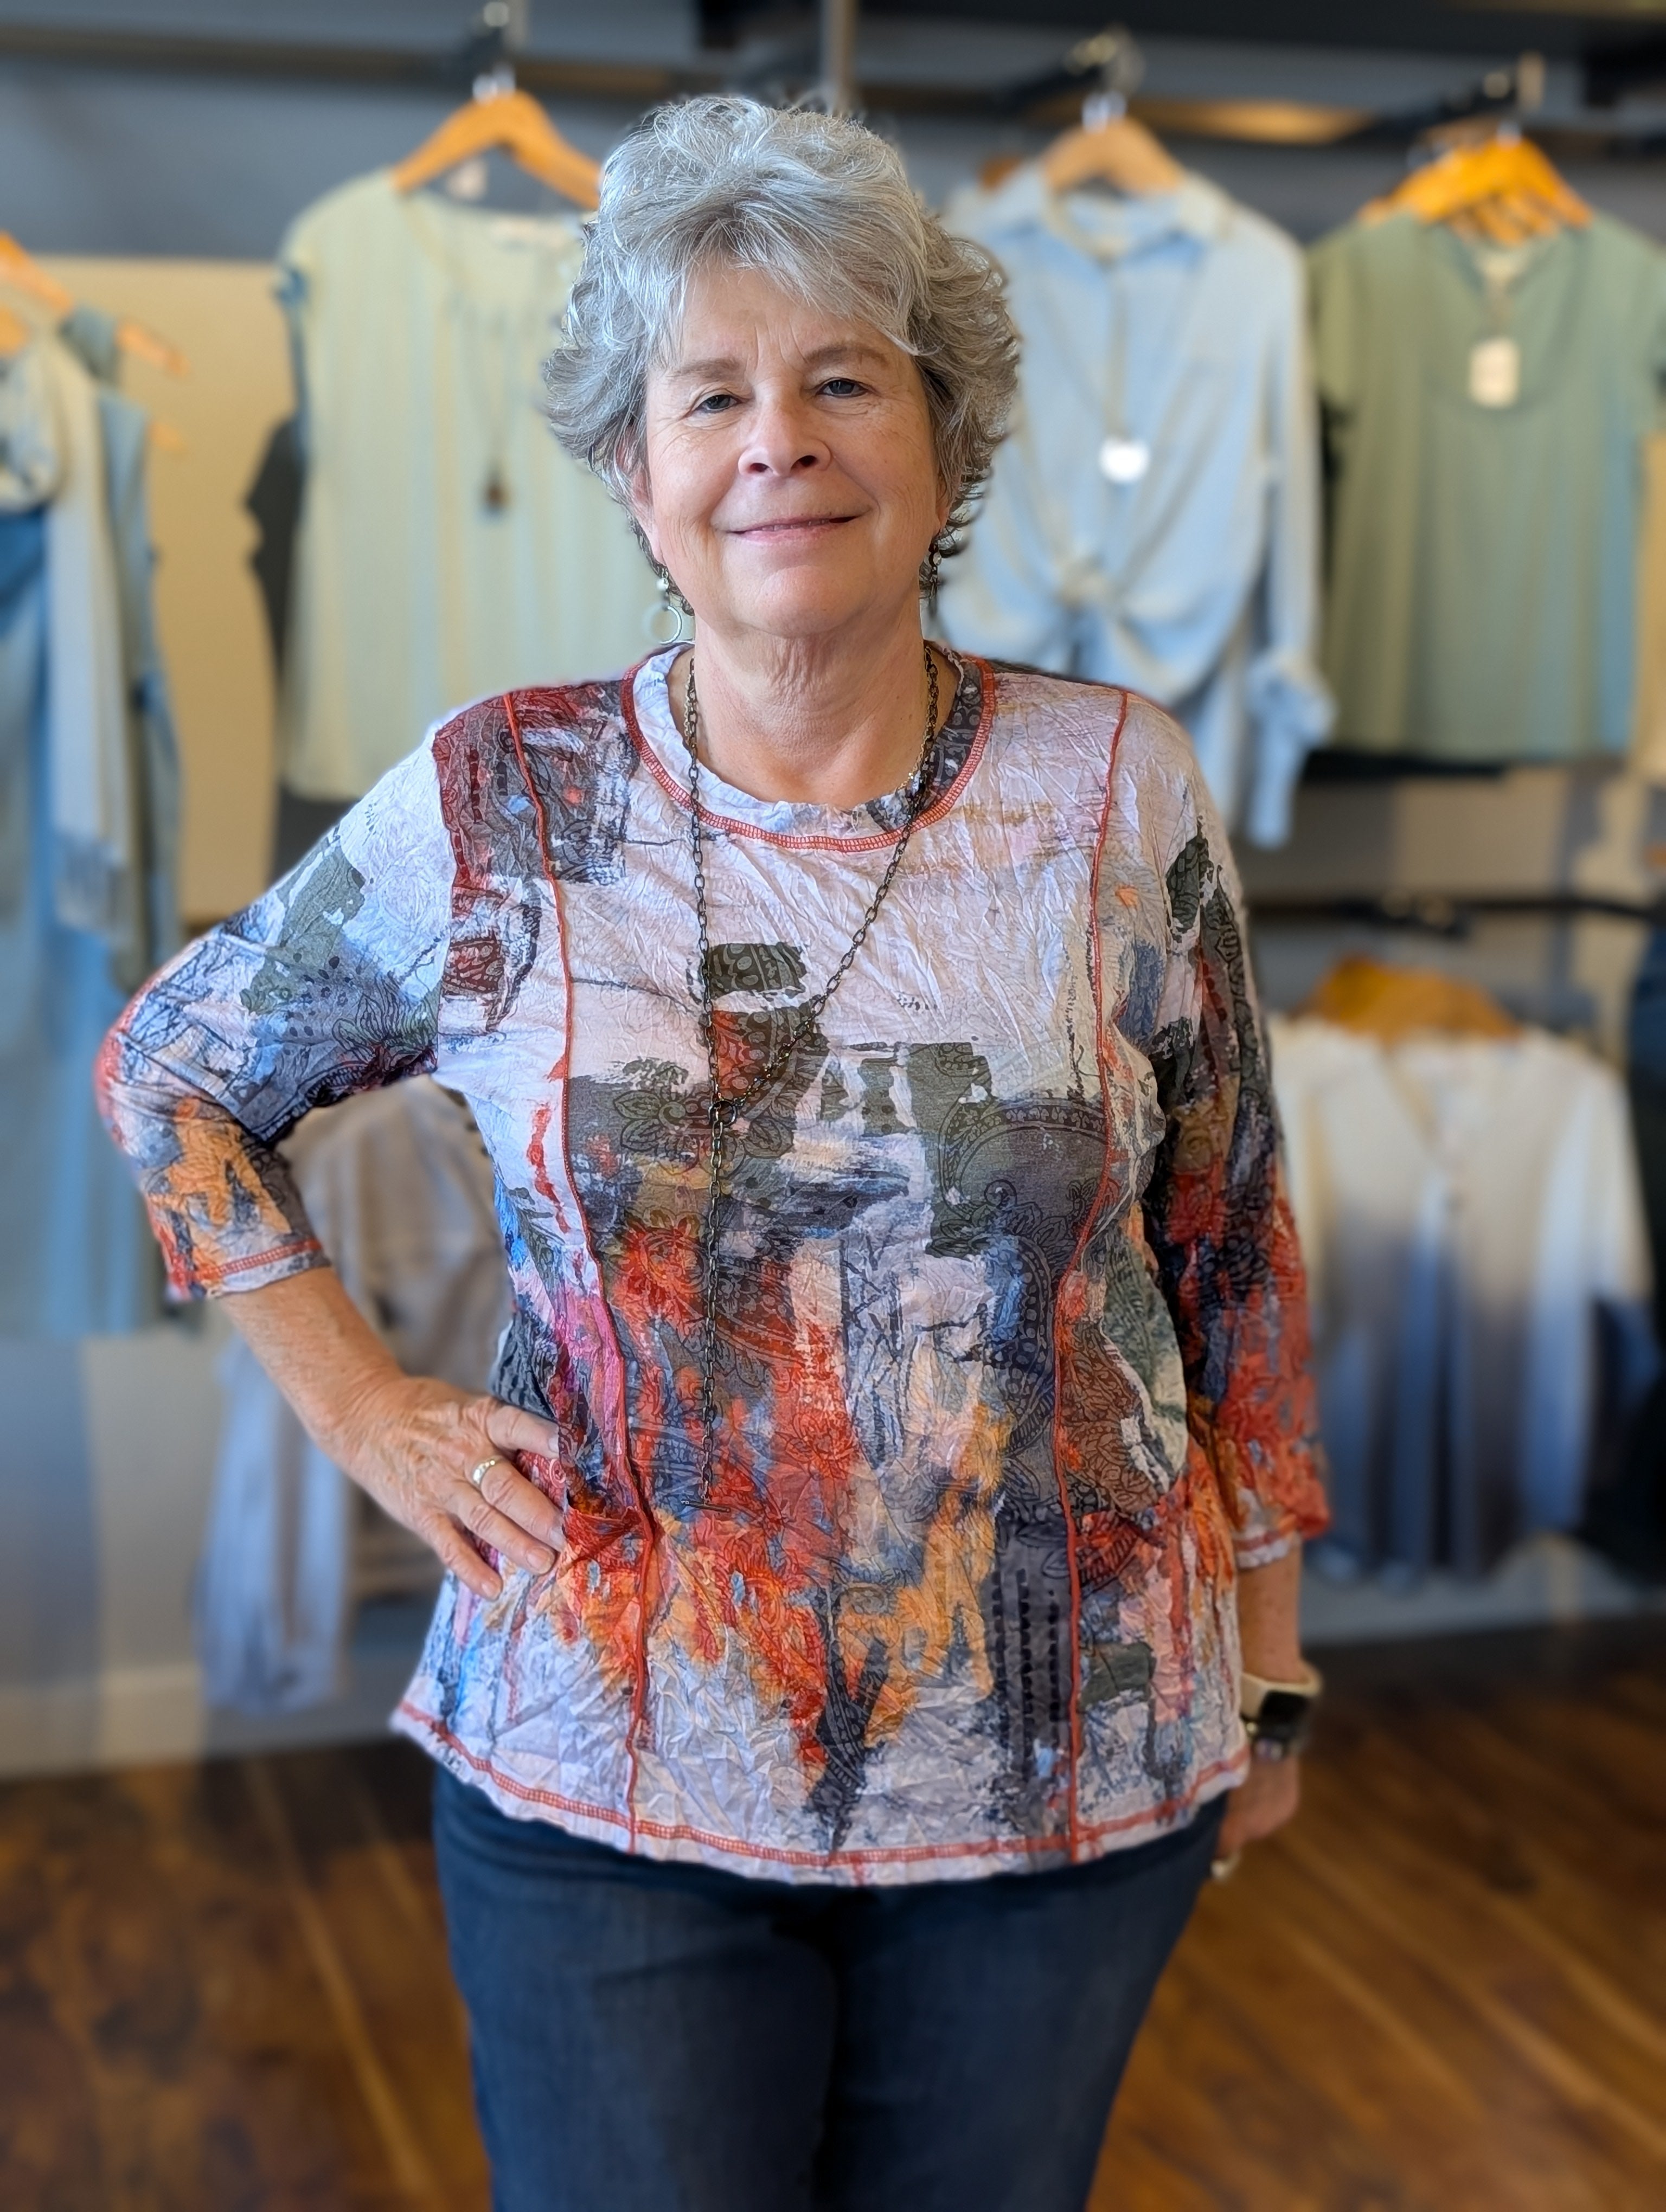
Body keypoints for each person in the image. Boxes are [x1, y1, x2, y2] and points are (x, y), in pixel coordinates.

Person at [99, 95, 1329, 2212]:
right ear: (633, 472)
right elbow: (171, 1070)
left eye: (845, 381)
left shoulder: (1115, 785)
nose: (782, 442)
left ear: (941, 439)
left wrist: (1274, 1661)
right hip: (609, 1773)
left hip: (1066, 1785)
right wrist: (366, 1407)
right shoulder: (503, 800)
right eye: (714, 395)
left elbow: (1228, 1237)